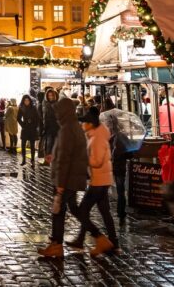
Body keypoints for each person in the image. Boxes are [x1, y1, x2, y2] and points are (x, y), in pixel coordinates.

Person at [38, 97, 89, 258]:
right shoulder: (73, 127)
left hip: (67, 179)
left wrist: (60, 184)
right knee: (71, 208)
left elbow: (66, 159)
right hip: (72, 178)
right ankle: (98, 235)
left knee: (58, 212)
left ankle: (57, 245)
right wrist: (54, 156)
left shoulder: (68, 129)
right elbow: (67, 154)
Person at [68, 107, 118, 256]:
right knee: (104, 212)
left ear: (90, 124)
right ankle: (112, 242)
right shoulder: (97, 135)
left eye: (84, 123)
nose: (82, 125)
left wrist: (83, 159)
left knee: (82, 211)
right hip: (102, 179)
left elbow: (96, 161)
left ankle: (100, 239)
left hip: (98, 181)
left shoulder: (96, 139)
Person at [16, 94, 40, 165]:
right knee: (23, 144)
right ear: (23, 101)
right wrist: (23, 124)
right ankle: (23, 160)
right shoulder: (21, 107)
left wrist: (35, 125)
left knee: (32, 145)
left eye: (27, 100)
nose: (26, 101)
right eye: (25, 100)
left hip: (32, 128)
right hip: (25, 128)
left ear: (30, 100)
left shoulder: (34, 107)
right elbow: (18, 118)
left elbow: (37, 118)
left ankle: (32, 160)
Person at [40, 88, 60, 161]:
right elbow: (44, 117)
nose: (50, 97)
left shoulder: (57, 104)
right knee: (49, 144)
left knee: (55, 144)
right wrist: (44, 128)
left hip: (57, 127)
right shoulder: (46, 104)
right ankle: (48, 160)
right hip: (48, 128)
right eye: (49, 95)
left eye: (52, 95)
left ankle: (54, 159)